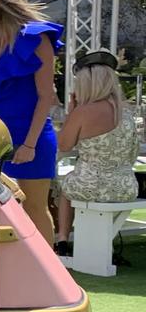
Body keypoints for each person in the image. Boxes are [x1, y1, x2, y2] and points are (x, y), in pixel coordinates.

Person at [0, 0, 61, 244]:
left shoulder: (37, 38)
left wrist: (29, 144)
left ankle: (49, 274)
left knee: (34, 206)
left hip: (30, 133)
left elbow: (46, 97)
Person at [53, 50, 140, 256]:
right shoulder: (125, 112)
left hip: (90, 185)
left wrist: (71, 113)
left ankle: (63, 239)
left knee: (65, 186)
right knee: (73, 183)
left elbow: (64, 145)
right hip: (126, 186)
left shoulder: (83, 112)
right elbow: (132, 154)